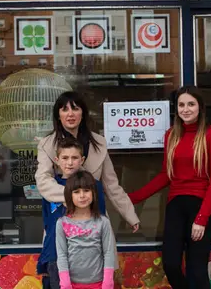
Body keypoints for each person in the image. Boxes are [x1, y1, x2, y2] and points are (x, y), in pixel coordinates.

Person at [128, 86, 211, 289]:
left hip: (201, 206)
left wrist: (201, 218)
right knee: (171, 264)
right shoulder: (171, 135)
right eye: (181, 105)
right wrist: (134, 197)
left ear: (200, 107)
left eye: (191, 104)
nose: (186, 109)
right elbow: (166, 175)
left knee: (197, 270)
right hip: (176, 205)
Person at [36, 91, 140, 231]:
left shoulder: (99, 142)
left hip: (95, 215)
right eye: (65, 109)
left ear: (83, 113)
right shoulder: (47, 144)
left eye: (75, 108)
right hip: (62, 216)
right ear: (58, 115)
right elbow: (43, 180)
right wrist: (74, 196)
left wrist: (130, 215)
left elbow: (111, 185)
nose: (70, 114)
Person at [38, 137, 107, 289]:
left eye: (74, 158)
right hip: (55, 255)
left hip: (86, 257)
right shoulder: (51, 187)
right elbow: (47, 224)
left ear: (82, 160)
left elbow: (101, 222)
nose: (69, 162)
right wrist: (44, 258)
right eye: (65, 158)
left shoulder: (94, 186)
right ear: (56, 160)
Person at [55, 171, 117, 289]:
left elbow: (108, 253)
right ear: (69, 195)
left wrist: (108, 283)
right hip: (72, 284)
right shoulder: (62, 223)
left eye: (86, 190)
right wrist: (65, 284)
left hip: (99, 284)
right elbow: (62, 254)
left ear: (94, 193)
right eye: (76, 192)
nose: (82, 195)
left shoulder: (103, 222)